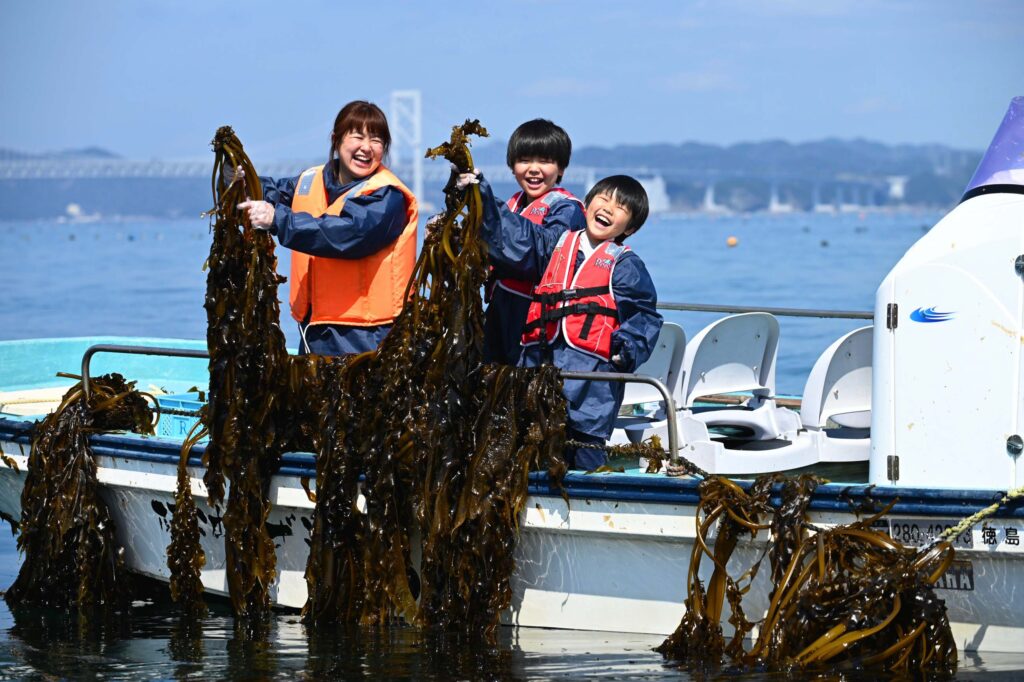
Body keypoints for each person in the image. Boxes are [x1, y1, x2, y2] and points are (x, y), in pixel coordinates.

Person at [463, 170, 663, 470]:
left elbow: (643, 316)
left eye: (621, 207)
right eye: (603, 199)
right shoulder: (554, 244)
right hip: (537, 374)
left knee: (585, 458)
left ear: (630, 228)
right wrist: (479, 193)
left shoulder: (625, 265)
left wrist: (627, 350)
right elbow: (515, 237)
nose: (608, 208)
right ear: (588, 203)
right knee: (528, 453)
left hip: (591, 387)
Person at [237, 100, 418, 356]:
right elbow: (270, 191)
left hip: (366, 336)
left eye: (377, 140)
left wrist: (278, 220)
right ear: (336, 140)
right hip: (314, 328)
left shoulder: (388, 197)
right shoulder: (310, 180)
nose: (366, 148)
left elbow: (349, 233)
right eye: (357, 136)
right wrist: (240, 179)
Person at [481, 119, 586, 365]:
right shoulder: (511, 206)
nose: (534, 169)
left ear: (561, 168)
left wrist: (484, 204)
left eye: (545, 161)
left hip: (538, 329)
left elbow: (539, 255)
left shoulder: (567, 210)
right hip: (500, 317)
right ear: (512, 166)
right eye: (525, 160)